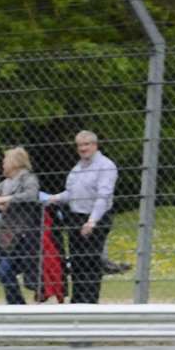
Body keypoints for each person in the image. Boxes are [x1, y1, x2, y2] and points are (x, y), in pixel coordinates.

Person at [42, 130, 118, 304]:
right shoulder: (77, 168)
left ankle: (90, 302)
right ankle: (77, 302)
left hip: (96, 218)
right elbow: (72, 193)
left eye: (86, 144)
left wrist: (92, 221)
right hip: (75, 217)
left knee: (90, 261)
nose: (83, 149)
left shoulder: (105, 166)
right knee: (76, 262)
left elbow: (103, 196)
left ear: (95, 145)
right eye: (79, 145)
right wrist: (54, 198)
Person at [0, 147, 42, 306]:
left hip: (23, 236)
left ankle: (17, 305)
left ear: (14, 162)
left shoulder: (28, 178)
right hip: (7, 235)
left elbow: (31, 195)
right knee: (4, 272)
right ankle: (16, 304)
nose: (2, 164)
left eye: (5, 160)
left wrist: (6, 200)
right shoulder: (6, 182)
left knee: (4, 270)